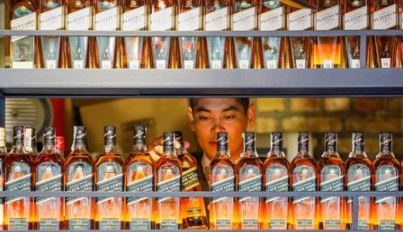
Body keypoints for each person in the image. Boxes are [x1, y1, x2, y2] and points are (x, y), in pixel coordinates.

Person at [148, 98, 256, 190]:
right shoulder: (179, 170)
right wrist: (149, 172)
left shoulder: (270, 173)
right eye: (205, 117)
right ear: (192, 119)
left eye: (228, 117)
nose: (217, 129)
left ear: (250, 117)